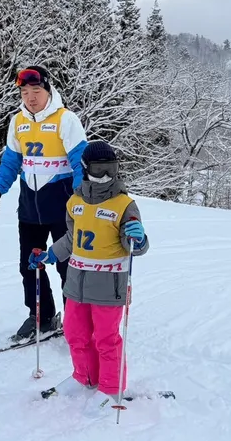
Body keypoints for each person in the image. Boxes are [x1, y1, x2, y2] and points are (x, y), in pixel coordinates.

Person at [29, 140, 149, 403]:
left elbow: (135, 245)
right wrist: (50, 255)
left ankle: (110, 388)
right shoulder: (75, 202)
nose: (105, 175)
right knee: (75, 334)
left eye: (111, 169)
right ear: (85, 169)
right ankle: (84, 378)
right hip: (76, 283)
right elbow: (72, 238)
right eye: (98, 169)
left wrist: (138, 239)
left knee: (106, 338)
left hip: (109, 284)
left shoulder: (124, 204)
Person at [0, 66, 87, 340]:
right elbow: (11, 163)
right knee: (30, 264)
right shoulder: (18, 122)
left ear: (48, 90)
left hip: (62, 207)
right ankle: (41, 316)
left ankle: (75, 318)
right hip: (29, 208)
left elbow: (80, 164)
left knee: (66, 266)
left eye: (36, 91)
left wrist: (80, 200)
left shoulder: (66, 120)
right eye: (25, 92)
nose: (30, 97)